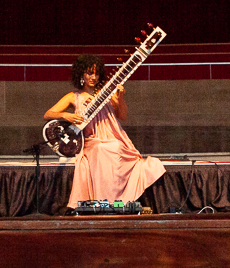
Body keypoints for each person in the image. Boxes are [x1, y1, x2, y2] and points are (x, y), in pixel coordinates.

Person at [45, 54, 165, 210]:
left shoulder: (107, 93)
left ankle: (118, 200)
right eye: (89, 73)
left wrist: (120, 98)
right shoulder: (73, 97)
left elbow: (122, 116)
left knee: (114, 146)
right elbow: (48, 114)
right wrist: (66, 115)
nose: (93, 77)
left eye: (96, 73)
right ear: (81, 74)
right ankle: (106, 202)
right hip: (91, 141)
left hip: (112, 137)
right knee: (102, 149)